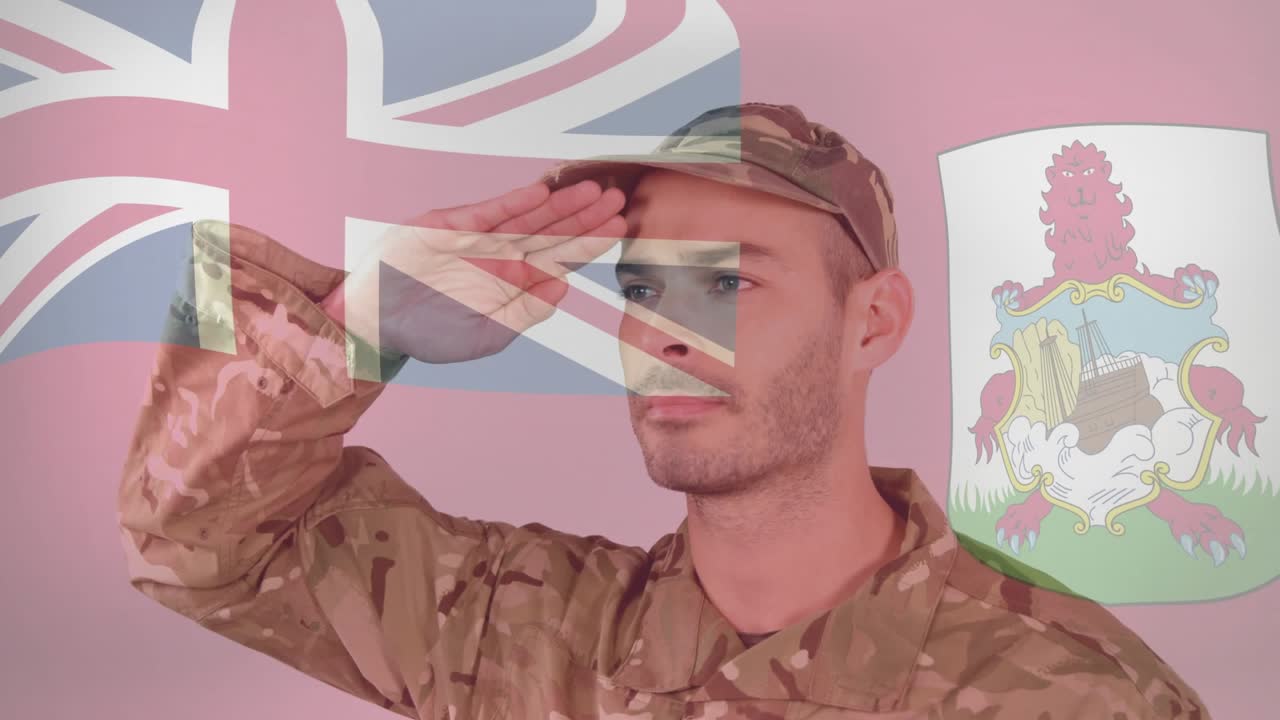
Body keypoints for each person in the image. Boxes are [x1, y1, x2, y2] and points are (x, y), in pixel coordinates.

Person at [117, 103, 1208, 719]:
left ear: (872, 323)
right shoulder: (516, 629)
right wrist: (359, 329)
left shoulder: (1068, 695)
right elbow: (196, 547)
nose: (661, 332)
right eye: (641, 288)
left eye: (727, 284)